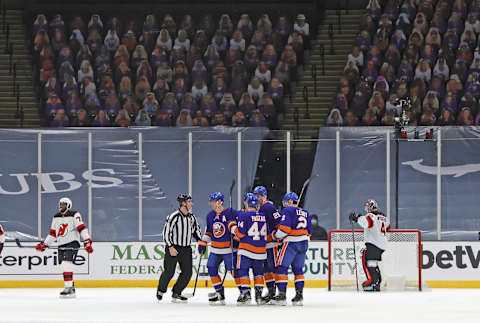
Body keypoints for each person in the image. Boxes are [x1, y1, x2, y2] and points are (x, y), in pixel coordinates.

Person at [35, 197, 93, 298]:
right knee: (63, 266)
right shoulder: (56, 217)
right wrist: (45, 244)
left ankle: (69, 288)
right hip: (61, 243)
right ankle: (71, 286)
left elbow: (81, 228)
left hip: (72, 242)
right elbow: (53, 234)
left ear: (68, 205)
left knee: (66, 264)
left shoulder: (75, 215)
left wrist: (87, 241)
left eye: (64, 204)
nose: (61, 206)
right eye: (60, 204)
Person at [157, 194, 202, 303]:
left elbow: (196, 231)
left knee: (187, 273)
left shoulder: (192, 217)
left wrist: (201, 242)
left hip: (186, 249)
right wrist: (170, 246)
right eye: (190, 201)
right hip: (174, 248)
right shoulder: (174, 216)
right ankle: (161, 290)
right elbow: (166, 232)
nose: (192, 204)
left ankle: (177, 292)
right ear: (183, 203)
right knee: (169, 271)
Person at [270, 192, 311, 306]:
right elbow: (310, 232)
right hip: (304, 243)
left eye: (285, 202)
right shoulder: (305, 212)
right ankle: (299, 295)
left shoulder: (288, 211)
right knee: (298, 269)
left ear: (289, 202)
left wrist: (275, 235)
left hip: (291, 243)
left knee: (281, 267)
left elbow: (284, 230)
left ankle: (282, 296)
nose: (284, 205)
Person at [198, 192, 237, 305]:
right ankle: (219, 291)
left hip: (228, 250)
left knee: (234, 271)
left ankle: (244, 291)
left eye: (213, 201)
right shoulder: (210, 215)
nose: (211, 203)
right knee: (211, 268)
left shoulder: (230, 212)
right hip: (215, 250)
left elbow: (242, 221)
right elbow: (209, 232)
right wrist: (203, 242)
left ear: (219, 201)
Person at [229, 194, 267, 305]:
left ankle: (246, 294)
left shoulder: (243, 215)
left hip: (246, 250)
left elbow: (240, 234)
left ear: (247, 203)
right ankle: (259, 295)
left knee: (243, 271)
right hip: (261, 251)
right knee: (258, 273)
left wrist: (232, 227)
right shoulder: (263, 216)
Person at [349, 199, 390, 292]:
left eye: (368, 206)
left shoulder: (371, 216)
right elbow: (387, 226)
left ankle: (373, 283)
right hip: (382, 244)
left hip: (373, 243)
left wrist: (357, 218)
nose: (367, 208)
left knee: (368, 262)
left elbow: (367, 223)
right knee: (373, 263)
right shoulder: (383, 217)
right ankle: (377, 281)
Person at [252, 186, 281, 301]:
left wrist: (275, 237)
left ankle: (281, 293)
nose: (257, 198)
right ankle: (271, 291)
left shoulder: (269, 207)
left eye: (259, 196)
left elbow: (279, 223)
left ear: (264, 196)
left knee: (273, 267)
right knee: (266, 269)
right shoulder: (256, 208)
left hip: (270, 244)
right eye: (255, 196)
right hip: (261, 245)